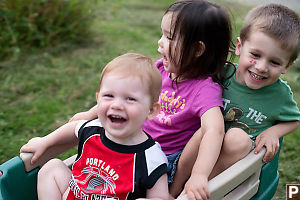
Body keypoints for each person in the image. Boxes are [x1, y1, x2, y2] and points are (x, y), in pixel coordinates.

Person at [69, 0, 235, 199]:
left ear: (198, 50)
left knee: (202, 133)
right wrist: (89, 114)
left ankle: (173, 191)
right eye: (162, 34)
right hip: (133, 142)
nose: (160, 42)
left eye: (170, 37)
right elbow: (124, 95)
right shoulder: (160, 69)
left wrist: (199, 175)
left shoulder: (204, 89)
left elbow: (214, 130)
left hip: (164, 161)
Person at [177, 2, 300, 190]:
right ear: (239, 47)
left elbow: (294, 120)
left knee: (236, 138)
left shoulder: (279, 94)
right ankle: (175, 188)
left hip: (233, 165)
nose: (261, 67)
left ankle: (196, 190)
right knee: (206, 130)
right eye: (255, 54)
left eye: (274, 62)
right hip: (201, 149)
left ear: (287, 67)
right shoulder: (222, 73)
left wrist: (273, 132)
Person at [20, 53, 171, 200]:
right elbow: (73, 129)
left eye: (130, 99)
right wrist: (44, 141)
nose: (117, 105)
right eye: (109, 96)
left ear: (151, 110)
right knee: (51, 168)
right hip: (75, 194)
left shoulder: (151, 158)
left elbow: (160, 196)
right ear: (98, 99)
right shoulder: (93, 129)